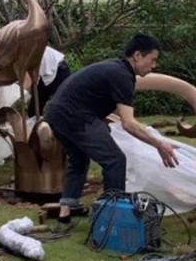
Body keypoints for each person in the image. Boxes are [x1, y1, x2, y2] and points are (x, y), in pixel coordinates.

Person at [43, 34, 179, 225]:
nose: (154, 65)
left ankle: (65, 213)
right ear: (137, 55)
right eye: (153, 59)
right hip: (76, 116)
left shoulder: (115, 68)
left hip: (55, 115)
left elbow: (122, 116)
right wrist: (159, 144)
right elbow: (128, 123)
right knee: (115, 160)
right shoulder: (123, 76)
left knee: (78, 160)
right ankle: (112, 216)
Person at [25, 46, 72, 116]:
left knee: (65, 103)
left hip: (58, 70)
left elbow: (27, 81)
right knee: (33, 111)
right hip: (43, 75)